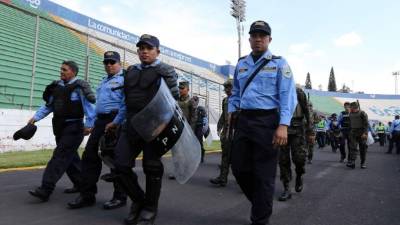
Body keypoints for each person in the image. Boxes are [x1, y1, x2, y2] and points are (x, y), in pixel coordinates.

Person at [105, 34, 179, 225]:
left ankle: (150, 208)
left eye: (149, 48)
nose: (144, 51)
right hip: (130, 126)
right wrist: (117, 120)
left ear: (157, 51)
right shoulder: (130, 71)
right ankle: (139, 201)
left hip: (154, 127)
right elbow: (125, 101)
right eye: (141, 48)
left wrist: (163, 126)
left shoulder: (166, 71)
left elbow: (173, 101)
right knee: (120, 165)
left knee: (151, 167)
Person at [229, 20, 297, 225]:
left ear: (269, 39)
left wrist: (283, 125)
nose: (258, 39)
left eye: (262, 36)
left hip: (267, 122)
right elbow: (235, 93)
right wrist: (232, 111)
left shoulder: (279, 63)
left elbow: (288, 96)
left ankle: (260, 219)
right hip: (244, 120)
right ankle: (260, 203)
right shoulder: (241, 64)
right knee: (239, 168)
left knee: (264, 176)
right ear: (249, 38)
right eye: (254, 35)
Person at [28, 61, 95, 202]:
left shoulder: (79, 87)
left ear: (73, 72)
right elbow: (48, 106)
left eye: (64, 70)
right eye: (61, 69)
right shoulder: (57, 87)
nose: (61, 72)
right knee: (71, 160)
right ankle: (82, 185)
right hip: (60, 128)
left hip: (74, 128)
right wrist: (35, 118)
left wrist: (89, 125)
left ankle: (46, 189)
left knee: (59, 156)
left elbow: (89, 107)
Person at [68, 51, 127, 210]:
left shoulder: (125, 79)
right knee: (89, 157)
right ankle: (87, 195)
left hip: (117, 121)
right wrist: (90, 123)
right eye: (106, 62)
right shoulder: (103, 82)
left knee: (116, 159)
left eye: (112, 62)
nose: (108, 65)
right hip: (101, 121)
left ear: (119, 63)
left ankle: (120, 197)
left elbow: (125, 105)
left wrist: (116, 122)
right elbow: (98, 107)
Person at [278, 87, 313, 201]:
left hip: (298, 130)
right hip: (281, 129)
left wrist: (311, 131)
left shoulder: (298, 93)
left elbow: (308, 112)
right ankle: (286, 188)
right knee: (283, 160)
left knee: (299, 158)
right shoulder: (276, 90)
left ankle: (299, 175)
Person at [210, 79, 233, 187]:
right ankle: (222, 178)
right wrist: (219, 127)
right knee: (225, 156)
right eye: (226, 88)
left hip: (237, 132)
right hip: (227, 133)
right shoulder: (225, 101)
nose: (227, 90)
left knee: (240, 158)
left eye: (229, 87)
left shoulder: (241, 100)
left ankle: (245, 180)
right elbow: (223, 115)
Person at [346, 102, 369, 169]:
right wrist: (349, 132)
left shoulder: (362, 113)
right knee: (353, 148)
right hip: (353, 133)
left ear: (355, 107)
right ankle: (352, 162)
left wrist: (365, 133)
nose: (350, 109)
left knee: (362, 149)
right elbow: (350, 124)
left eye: (351, 107)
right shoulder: (350, 114)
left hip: (362, 133)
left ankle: (363, 163)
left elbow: (366, 124)